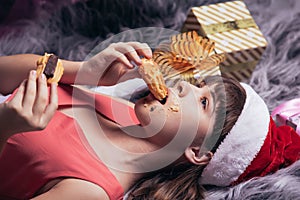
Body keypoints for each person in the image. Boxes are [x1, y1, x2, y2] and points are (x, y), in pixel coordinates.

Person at [0, 42, 299, 200]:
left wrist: (5, 127)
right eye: (198, 86)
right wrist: (83, 71)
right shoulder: (122, 104)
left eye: (204, 102)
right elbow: (4, 76)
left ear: (199, 152)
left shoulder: (92, 189)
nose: (183, 86)